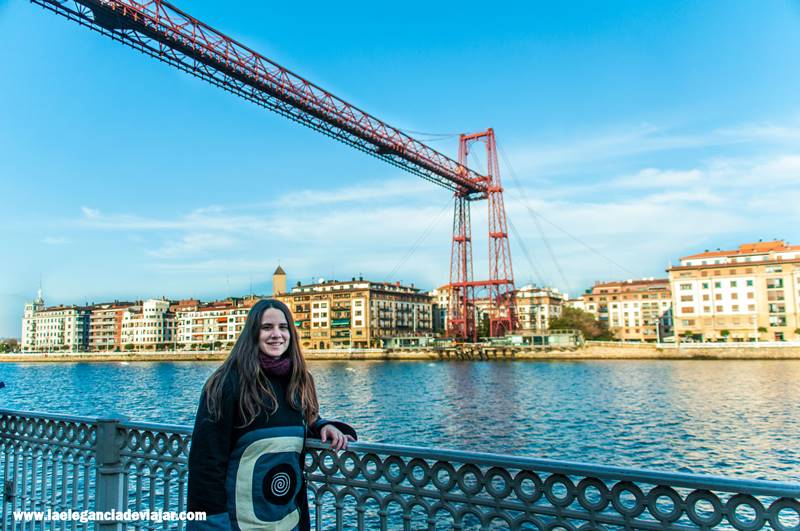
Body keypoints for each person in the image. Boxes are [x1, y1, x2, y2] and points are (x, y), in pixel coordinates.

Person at [187, 299, 356, 530]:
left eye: (283, 327)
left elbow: (302, 417)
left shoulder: (299, 381)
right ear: (253, 333)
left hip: (288, 522)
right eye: (267, 327)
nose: (276, 334)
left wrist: (320, 425)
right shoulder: (225, 384)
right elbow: (206, 465)